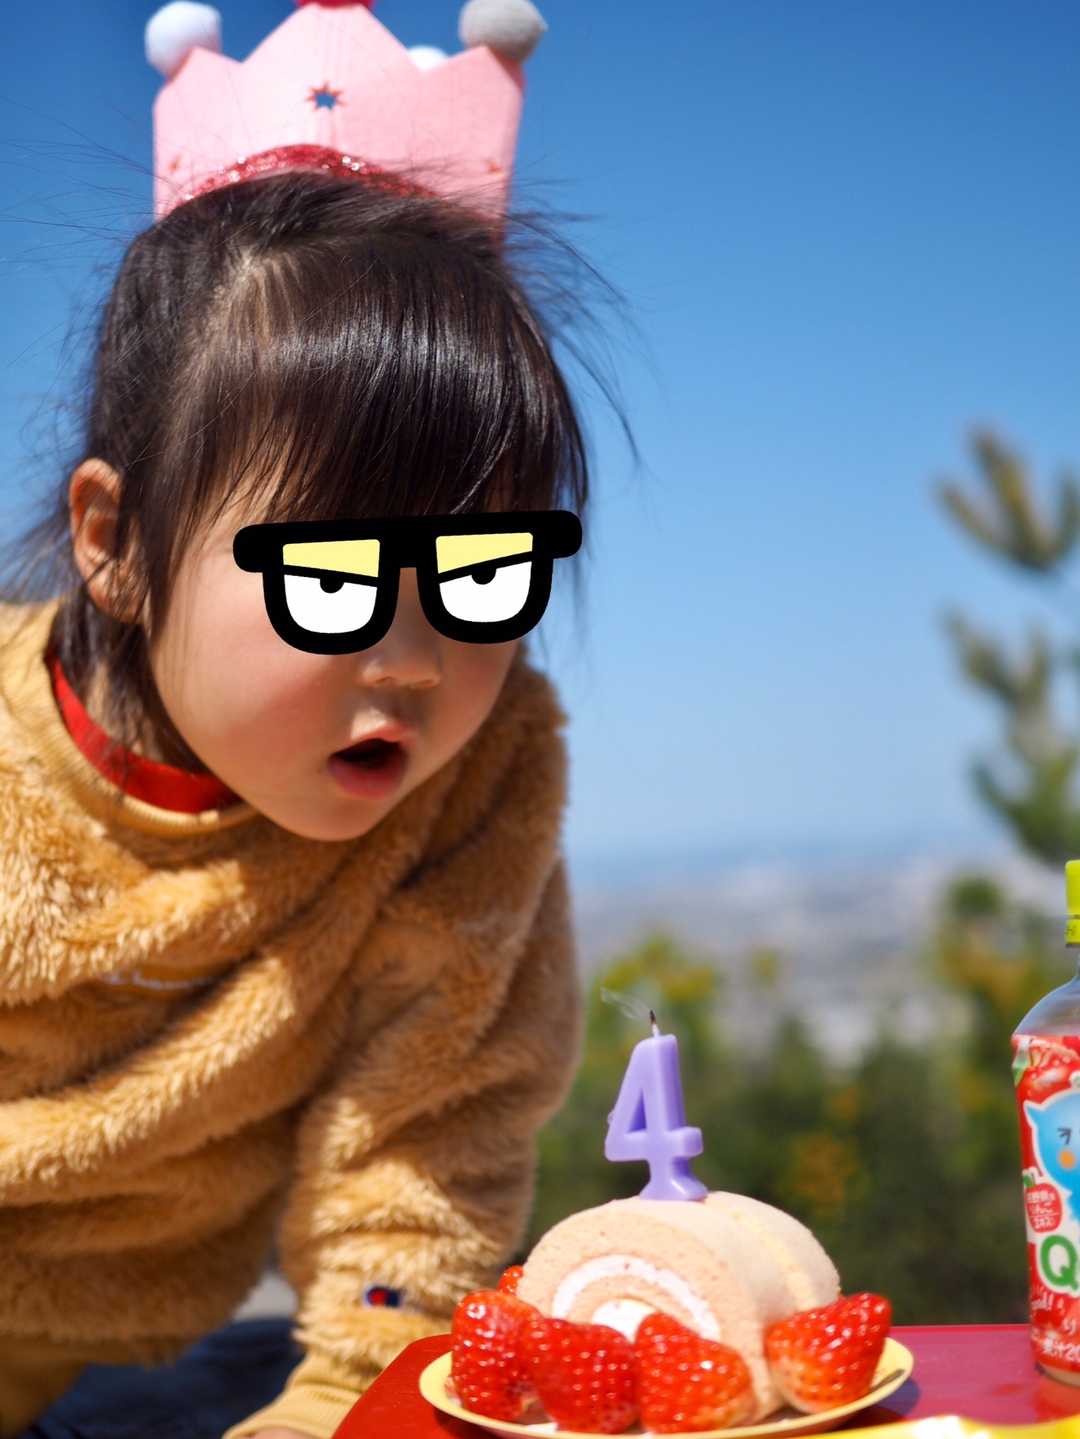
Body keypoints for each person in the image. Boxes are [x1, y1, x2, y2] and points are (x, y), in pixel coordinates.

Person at [0, 4, 628, 1428]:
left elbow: (426, 1165)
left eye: (480, 571)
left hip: (161, 1372)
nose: (412, 658)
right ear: (116, 541)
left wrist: (341, 1402)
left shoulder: (474, 785)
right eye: (333, 577)